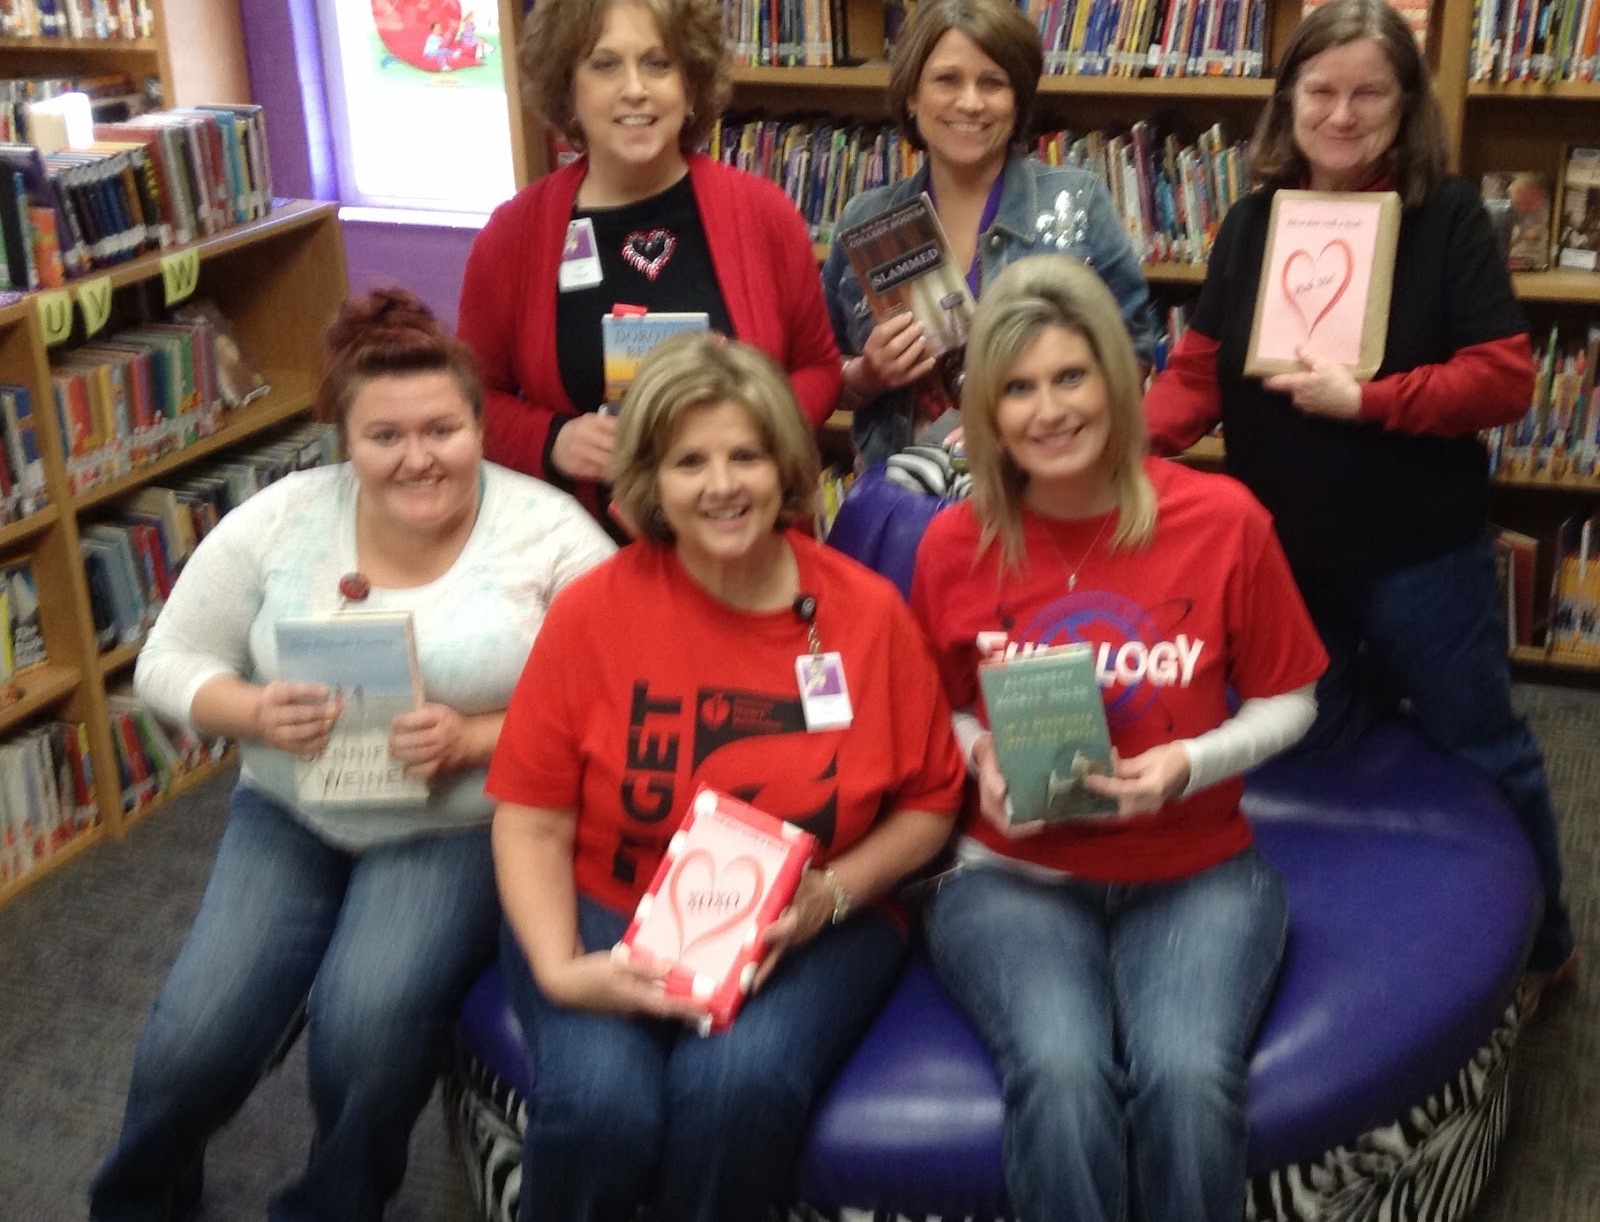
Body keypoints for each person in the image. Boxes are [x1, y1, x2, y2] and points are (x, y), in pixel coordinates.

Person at [90, 289, 615, 1222]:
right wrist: (252, 710)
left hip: (456, 823)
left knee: (367, 1027)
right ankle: (138, 1198)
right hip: (289, 808)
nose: (419, 457)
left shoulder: (551, 535)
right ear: (344, 440)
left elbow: (614, 701)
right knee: (194, 1034)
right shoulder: (284, 517)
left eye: (443, 429)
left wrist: (478, 737)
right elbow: (167, 660)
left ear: (479, 424)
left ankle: (332, 1205)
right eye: (385, 436)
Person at [1142, 0, 1577, 983]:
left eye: (1369, 95)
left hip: (1424, 556)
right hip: (1288, 558)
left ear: (1406, 105)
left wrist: (1369, 398)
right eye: (1320, 91)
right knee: (1313, 740)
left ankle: (1548, 945)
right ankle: (1386, 924)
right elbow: (1198, 377)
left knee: (1485, 744)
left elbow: (1504, 380)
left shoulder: (1449, 218)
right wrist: (1112, 445)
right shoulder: (1252, 222)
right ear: (1288, 100)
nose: (1341, 115)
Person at [488, 333, 966, 1222]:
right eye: (689, 461)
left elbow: (932, 801)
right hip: (609, 898)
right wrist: (561, 969)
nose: (722, 485)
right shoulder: (592, 611)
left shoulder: (866, 613)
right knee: (602, 1107)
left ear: (785, 465)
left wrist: (830, 895)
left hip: (812, 914)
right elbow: (531, 815)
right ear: (650, 481)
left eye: (746, 455)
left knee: (733, 1091)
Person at [910, 254, 1327, 1222]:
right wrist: (978, 754)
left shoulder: (1221, 520)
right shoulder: (954, 542)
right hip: (1010, 874)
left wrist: (1190, 763)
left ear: (1117, 377)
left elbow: (1293, 699)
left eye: (1071, 375)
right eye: (1018, 388)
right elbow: (940, 706)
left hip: (1193, 868)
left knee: (1186, 1080)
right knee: (1060, 1076)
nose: (1049, 410)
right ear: (986, 410)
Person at [457, 0, 841, 532]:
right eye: (605, 64)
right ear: (569, 92)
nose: (635, 88)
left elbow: (820, 369)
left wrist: (757, 425)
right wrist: (552, 439)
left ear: (690, 88)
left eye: (658, 63)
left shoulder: (763, 213)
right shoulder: (513, 235)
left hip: (743, 537)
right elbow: (469, 400)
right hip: (583, 547)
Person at [821, 0, 1156, 467]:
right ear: (912, 94)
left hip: (1041, 485)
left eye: (993, 83)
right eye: (948, 80)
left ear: (1018, 100)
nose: (971, 102)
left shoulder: (1077, 202)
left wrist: (1022, 419)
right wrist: (866, 374)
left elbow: (1132, 355)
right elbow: (823, 374)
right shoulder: (866, 219)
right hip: (903, 493)